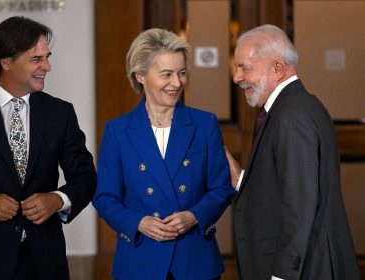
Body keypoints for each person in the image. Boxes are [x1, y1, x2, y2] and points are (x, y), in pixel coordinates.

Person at [0, 16, 96, 280]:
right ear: (6, 61)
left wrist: (57, 200)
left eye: (47, 57)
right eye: (36, 59)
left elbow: (85, 177)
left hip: (45, 265)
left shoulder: (61, 113)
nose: (47, 66)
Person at [92, 28, 235, 280]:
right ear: (140, 76)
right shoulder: (117, 131)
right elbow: (105, 197)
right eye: (166, 74)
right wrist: (138, 222)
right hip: (140, 260)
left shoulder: (204, 124)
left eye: (181, 73)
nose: (177, 83)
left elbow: (221, 188)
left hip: (195, 261)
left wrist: (193, 216)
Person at [225, 24, 360, 280]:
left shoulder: (292, 115)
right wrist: (243, 180)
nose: (236, 77)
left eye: (244, 67)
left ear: (277, 69)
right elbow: (292, 187)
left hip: (305, 270)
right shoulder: (296, 107)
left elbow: (299, 207)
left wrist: (282, 276)